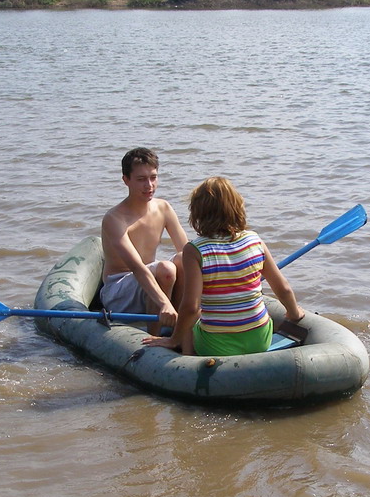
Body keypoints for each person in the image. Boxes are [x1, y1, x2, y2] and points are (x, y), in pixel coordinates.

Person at [144, 176, 306, 356]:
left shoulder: (195, 250)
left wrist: (174, 339)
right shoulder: (255, 240)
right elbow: (283, 288)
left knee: (192, 318)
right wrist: (294, 313)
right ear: (237, 207)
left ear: (197, 212)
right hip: (260, 340)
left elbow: (191, 307)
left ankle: (187, 358)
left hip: (216, 345)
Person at [100, 148, 188, 333]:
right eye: (141, 179)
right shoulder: (114, 218)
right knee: (166, 269)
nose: (149, 185)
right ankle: (154, 336)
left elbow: (187, 252)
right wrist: (164, 303)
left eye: (153, 177)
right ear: (126, 180)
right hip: (118, 291)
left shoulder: (163, 207)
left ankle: (181, 329)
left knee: (183, 259)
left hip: (150, 281)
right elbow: (137, 268)